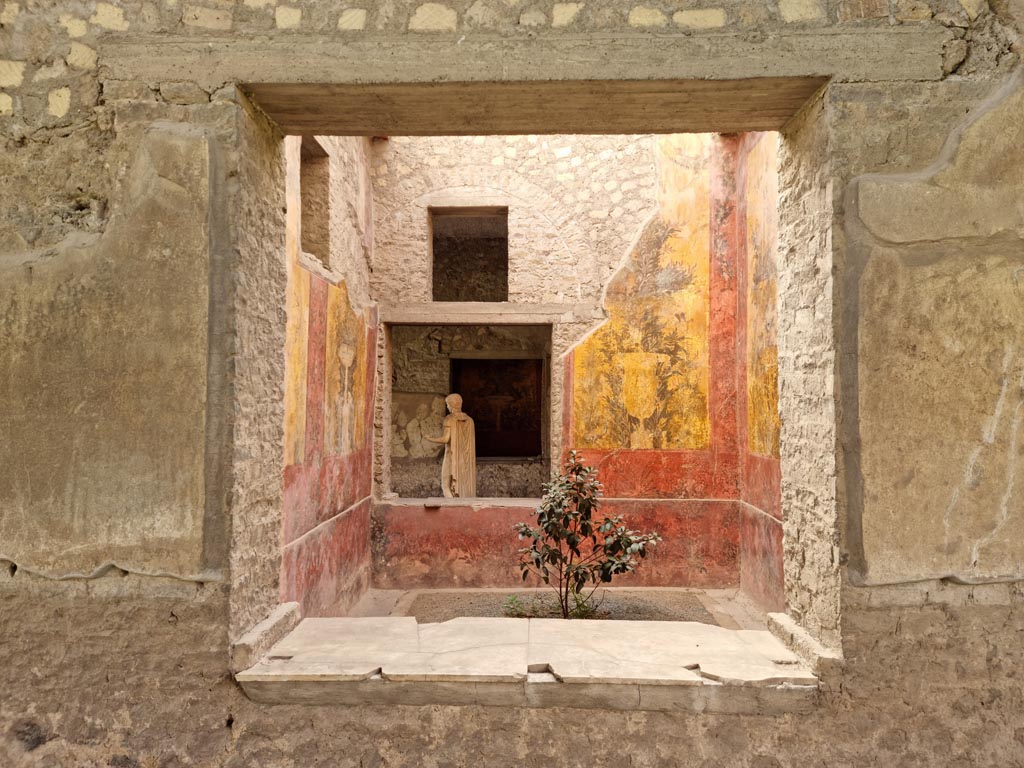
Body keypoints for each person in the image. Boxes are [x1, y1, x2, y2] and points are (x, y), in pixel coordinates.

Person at [425, 393, 476, 498]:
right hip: (465, 459)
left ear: (451, 405)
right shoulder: (470, 421)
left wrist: (430, 438)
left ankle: (451, 506)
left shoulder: (449, 419)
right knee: (464, 482)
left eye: (447, 404)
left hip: (451, 456)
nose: (447, 407)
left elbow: (446, 439)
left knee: (445, 484)